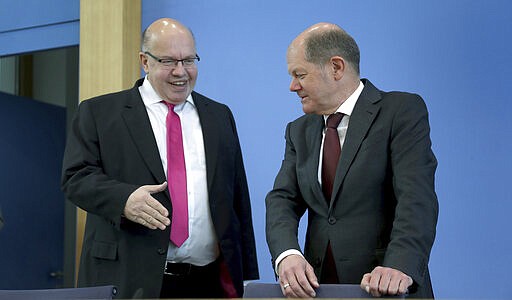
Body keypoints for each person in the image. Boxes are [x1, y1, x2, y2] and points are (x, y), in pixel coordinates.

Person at [61, 18, 258, 299]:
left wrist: (248, 277)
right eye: (168, 61)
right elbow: (75, 177)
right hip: (131, 279)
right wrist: (124, 199)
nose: (181, 72)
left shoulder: (219, 115)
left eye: (189, 60)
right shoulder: (100, 113)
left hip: (208, 282)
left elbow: (238, 197)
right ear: (145, 61)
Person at [265, 22, 438, 299]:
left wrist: (398, 265)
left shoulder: (400, 112)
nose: (292, 86)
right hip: (318, 288)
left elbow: (416, 198)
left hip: (385, 287)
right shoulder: (298, 131)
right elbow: (281, 200)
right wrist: (287, 255)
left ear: (336, 67)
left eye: (300, 74)